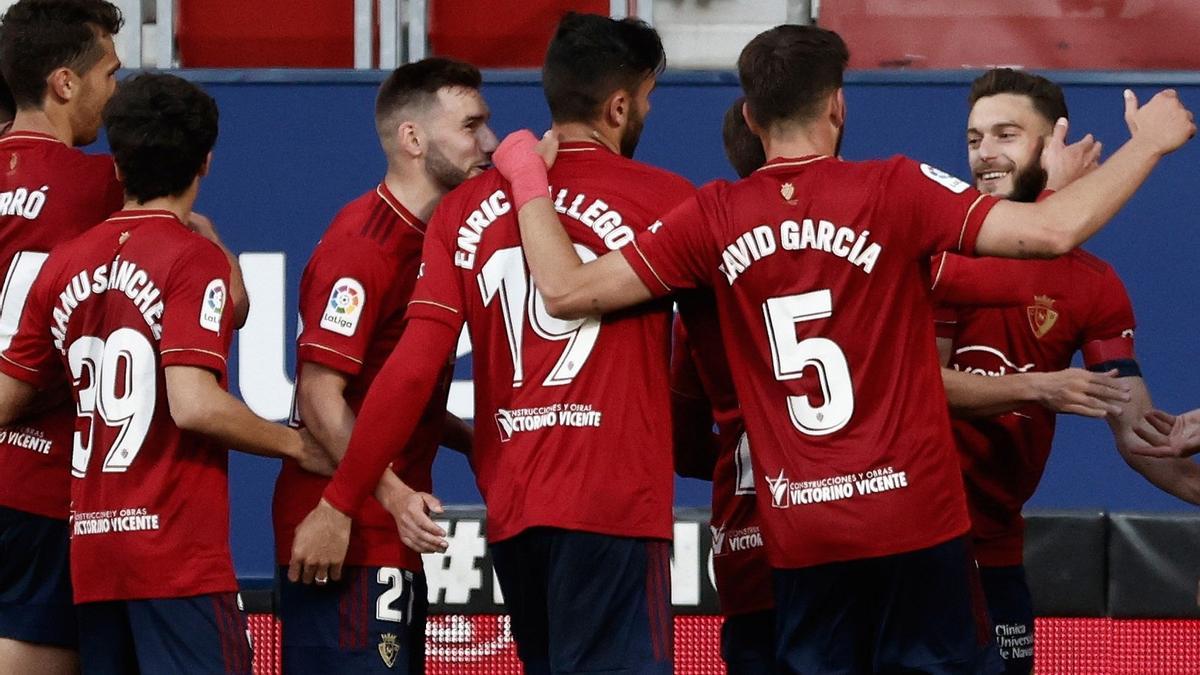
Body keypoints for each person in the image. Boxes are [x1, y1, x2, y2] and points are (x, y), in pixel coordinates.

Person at [490, 24, 1194, 673]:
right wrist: (1149, 143)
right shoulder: (894, 188)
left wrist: (526, 172)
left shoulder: (710, 218)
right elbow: (1052, 238)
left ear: (751, 118)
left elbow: (564, 290)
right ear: (838, 107)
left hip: (801, 532)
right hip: (914, 523)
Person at [289, 13, 690, 673]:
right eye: (646, 97)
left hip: (518, 513)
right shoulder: (669, 200)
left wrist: (342, 496)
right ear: (619, 105)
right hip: (613, 509)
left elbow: (410, 371)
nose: (646, 109)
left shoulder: (462, 210)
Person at [0, 73, 330, 674]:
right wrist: (296, 445)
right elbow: (194, 403)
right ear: (206, 162)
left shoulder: (63, 263)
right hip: (176, 557)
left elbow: (6, 398)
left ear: (117, 167)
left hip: (94, 555)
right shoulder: (192, 257)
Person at [936, 68, 1200, 674]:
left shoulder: (1095, 286)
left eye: (1005, 135)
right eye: (975, 139)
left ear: (1053, 140)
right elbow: (920, 389)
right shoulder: (939, 243)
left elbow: (1140, 435)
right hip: (914, 548)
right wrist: (1038, 387)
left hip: (997, 549)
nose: (984, 155)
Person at [272, 57, 490, 674]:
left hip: (382, 536)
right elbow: (319, 396)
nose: (488, 144)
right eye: (471, 126)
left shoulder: (433, 239)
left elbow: (386, 390)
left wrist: (468, 439)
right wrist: (390, 497)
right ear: (413, 139)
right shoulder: (365, 247)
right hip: (343, 535)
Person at [0, 2, 124, 671]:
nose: (115, 89)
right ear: (64, 82)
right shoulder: (106, 184)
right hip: (39, 478)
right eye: (108, 71)